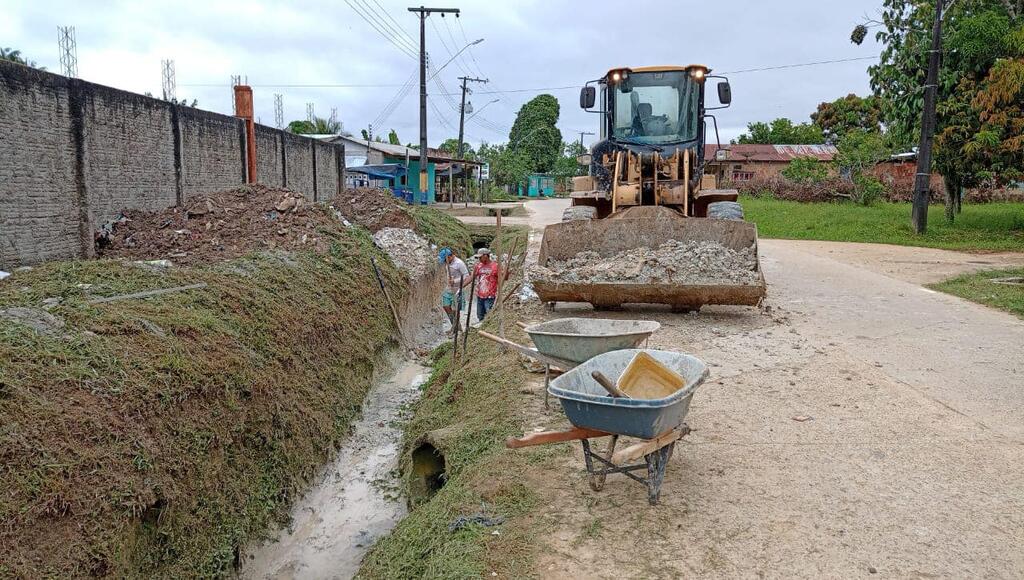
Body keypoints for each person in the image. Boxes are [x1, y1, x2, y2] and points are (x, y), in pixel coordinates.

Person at [472, 247, 510, 322]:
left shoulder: (495, 266)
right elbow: (472, 277)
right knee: (480, 316)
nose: (479, 259)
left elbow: (504, 278)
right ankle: (480, 329)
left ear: (486, 256)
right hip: (480, 296)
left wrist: (507, 271)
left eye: (480, 257)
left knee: (489, 315)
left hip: (490, 296)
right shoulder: (478, 266)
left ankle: (486, 329)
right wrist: (462, 286)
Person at [438, 247, 469, 332]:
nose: (444, 261)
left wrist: (455, 280)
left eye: (445, 259)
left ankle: (455, 329)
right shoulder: (448, 263)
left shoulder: (459, 263)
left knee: (455, 310)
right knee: (446, 306)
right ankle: (456, 326)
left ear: (449, 257)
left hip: (458, 289)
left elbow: (466, 276)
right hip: (449, 288)